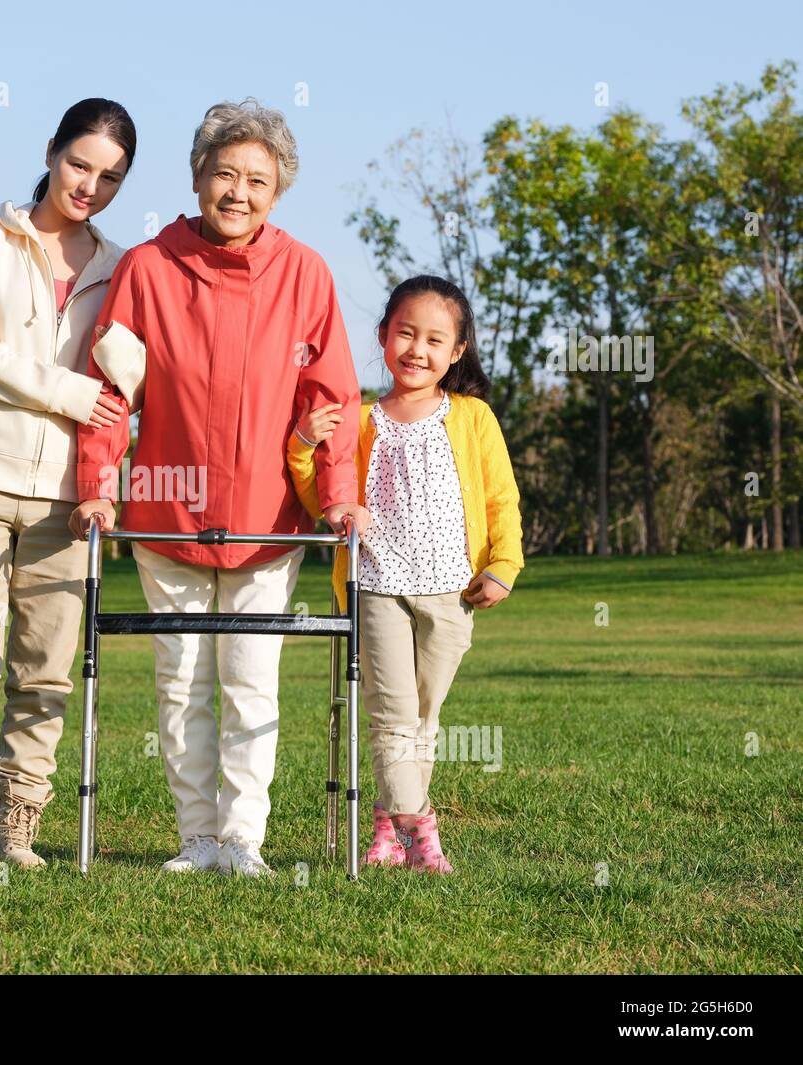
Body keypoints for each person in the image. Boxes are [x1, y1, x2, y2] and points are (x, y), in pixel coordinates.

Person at [71, 98, 363, 878]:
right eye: (224, 173)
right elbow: (110, 392)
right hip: (169, 515)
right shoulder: (147, 268)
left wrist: (337, 495)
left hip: (269, 522)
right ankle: (197, 837)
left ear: (279, 192)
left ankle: (243, 841)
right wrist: (98, 483)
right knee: (180, 682)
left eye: (257, 180)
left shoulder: (307, 274)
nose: (238, 192)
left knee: (250, 684)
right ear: (197, 175)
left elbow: (329, 402)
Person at [0, 98, 136, 870]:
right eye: (80, 164)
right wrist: (64, 391)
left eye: (109, 176)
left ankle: (20, 822)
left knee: (45, 666)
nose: (89, 185)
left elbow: (127, 380)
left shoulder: (120, 267)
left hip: (65, 496)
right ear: (51, 152)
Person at [288, 274, 524, 874]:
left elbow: (502, 499)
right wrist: (299, 442)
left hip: (452, 591)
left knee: (423, 719)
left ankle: (386, 832)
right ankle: (424, 838)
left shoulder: (474, 418)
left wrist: (503, 565)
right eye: (405, 334)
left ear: (457, 352)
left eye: (434, 340)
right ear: (383, 337)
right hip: (378, 586)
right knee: (391, 715)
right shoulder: (361, 419)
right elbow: (322, 496)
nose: (417, 350)